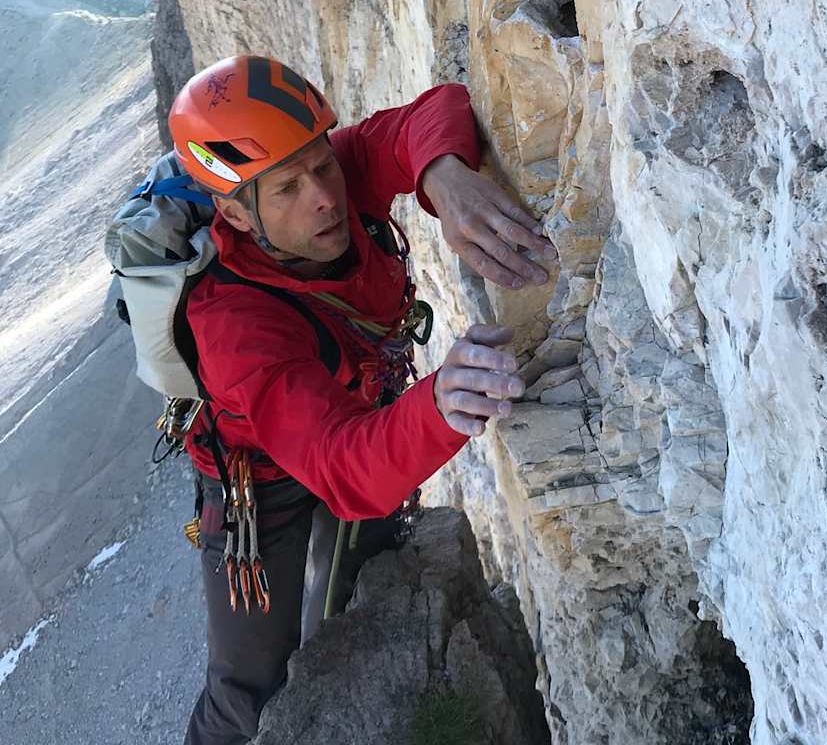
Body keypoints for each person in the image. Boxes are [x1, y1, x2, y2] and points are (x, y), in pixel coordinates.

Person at [166, 54, 557, 745]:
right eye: (286, 188)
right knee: (247, 687)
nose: (323, 195)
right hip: (259, 486)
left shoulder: (327, 181)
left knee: (364, 585)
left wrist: (444, 177)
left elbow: (428, 113)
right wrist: (439, 406)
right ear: (234, 211)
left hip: (356, 410)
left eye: (321, 164)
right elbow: (343, 470)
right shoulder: (234, 326)